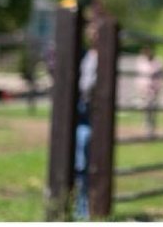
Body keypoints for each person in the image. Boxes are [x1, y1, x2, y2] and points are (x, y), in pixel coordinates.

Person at [74, 23, 98, 220]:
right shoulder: (87, 56)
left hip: (89, 111)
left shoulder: (96, 58)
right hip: (84, 110)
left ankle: (84, 210)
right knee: (81, 161)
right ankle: (81, 209)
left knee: (84, 161)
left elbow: (87, 85)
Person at [135, 45, 163, 136]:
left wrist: (161, 86)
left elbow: (162, 75)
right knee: (145, 108)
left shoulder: (158, 61)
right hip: (144, 89)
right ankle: (147, 126)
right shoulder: (141, 62)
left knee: (152, 108)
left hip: (154, 89)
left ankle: (151, 128)